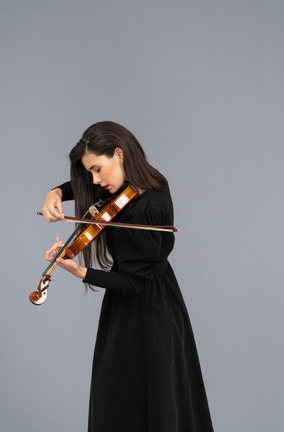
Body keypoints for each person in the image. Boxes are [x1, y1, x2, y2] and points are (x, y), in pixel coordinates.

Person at [43, 121, 214, 432]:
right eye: (89, 172)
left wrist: (79, 270)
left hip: (148, 312)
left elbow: (134, 282)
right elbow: (80, 185)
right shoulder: (141, 184)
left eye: (97, 169)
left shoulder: (145, 209)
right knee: (122, 396)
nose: (94, 180)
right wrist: (55, 192)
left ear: (119, 154)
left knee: (138, 398)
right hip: (135, 305)